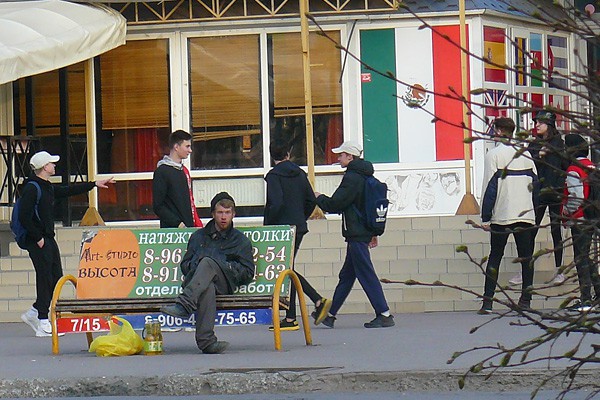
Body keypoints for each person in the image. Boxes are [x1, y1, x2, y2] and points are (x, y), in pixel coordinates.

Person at [19, 151, 115, 337]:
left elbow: (66, 190)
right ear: (44, 167)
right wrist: (38, 238)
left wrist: (93, 184)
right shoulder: (32, 188)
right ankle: (42, 320)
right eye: (52, 163)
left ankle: (34, 312)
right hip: (38, 240)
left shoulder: (46, 186)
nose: (55, 166)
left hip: (48, 238)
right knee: (44, 277)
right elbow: (24, 216)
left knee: (56, 277)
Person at [160, 192, 255, 354]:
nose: (224, 217)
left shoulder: (240, 240)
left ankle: (184, 304)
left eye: (227, 213)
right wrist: (198, 266)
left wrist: (225, 267)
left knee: (208, 263)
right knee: (207, 285)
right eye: (220, 212)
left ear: (233, 214)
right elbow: (185, 265)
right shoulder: (198, 237)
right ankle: (207, 342)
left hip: (225, 282)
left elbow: (247, 272)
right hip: (200, 284)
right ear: (213, 214)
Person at [314, 141, 394, 329]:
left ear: (350, 157)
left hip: (357, 234)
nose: (338, 157)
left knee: (366, 273)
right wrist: (373, 232)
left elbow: (336, 204)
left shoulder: (352, 177)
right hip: (361, 232)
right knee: (347, 275)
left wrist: (318, 197)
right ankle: (330, 315)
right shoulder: (365, 176)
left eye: (341, 155)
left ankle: (384, 313)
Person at [264, 139, 331, 331]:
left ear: (271, 155)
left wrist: (270, 226)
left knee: (286, 270)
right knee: (287, 269)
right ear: (289, 152)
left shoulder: (274, 176)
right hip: (298, 227)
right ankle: (293, 315)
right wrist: (300, 217)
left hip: (280, 230)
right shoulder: (300, 173)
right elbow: (311, 199)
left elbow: (275, 203)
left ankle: (315, 302)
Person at [478, 117, 539, 314]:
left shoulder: (494, 155)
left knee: (495, 256)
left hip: (502, 213)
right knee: (526, 258)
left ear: (497, 131)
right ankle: (526, 300)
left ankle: (488, 302)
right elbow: (536, 186)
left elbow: (489, 187)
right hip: (525, 213)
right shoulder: (526, 154)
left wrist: (485, 216)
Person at [509, 111, 567, 286]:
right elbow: (526, 162)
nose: (537, 125)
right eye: (536, 122)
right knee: (530, 231)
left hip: (555, 191)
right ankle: (525, 270)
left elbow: (565, 166)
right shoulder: (534, 144)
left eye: (540, 123)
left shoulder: (559, 144)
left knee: (556, 231)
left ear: (549, 124)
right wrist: (539, 156)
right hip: (539, 192)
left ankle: (559, 270)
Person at [561, 134, 600, 312]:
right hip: (594, 216)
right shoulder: (592, 166)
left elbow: (576, 196)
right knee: (586, 256)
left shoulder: (573, 169)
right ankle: (597, 293)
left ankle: (585, 299)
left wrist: (567, 213)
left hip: (580, 218)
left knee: (580, 258)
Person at [153, 130, 203, 229]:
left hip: (189, 228)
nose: (190, 150)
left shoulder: (183, 170)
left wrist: (197, 224)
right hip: (172, 232)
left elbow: (190, 201)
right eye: (187, 146)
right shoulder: (162, 171)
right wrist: (178, 224)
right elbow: (158, 206)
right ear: (176, 147)